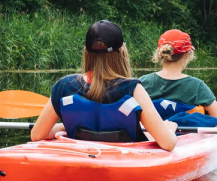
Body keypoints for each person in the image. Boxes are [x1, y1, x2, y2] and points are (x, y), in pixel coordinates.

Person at [30, 20, 178, 150]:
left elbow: (37, 134)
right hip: (124, 166)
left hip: (82, 161)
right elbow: (168, 143)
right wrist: (170, 130)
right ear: (122, 52)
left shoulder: (64, 85)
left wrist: (65, 127)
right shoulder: (133, 89)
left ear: (86, 52)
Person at [139, 29, 217, 128]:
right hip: (183, 140)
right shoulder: (197, 86)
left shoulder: (142, 83)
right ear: (187, 54)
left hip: (148, 137)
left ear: (160, 54)